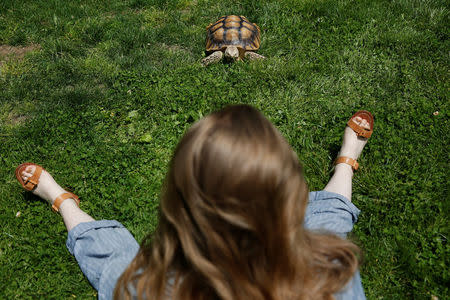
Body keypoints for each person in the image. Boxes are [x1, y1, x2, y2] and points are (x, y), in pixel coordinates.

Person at [15, 105, 374, 300]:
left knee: (114, 264)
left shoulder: (150, 288)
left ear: (177, 208)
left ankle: (62, 200)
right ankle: (346, 160)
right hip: (298, 260)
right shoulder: (333, 277)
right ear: (292, 198)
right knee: (330, 227)